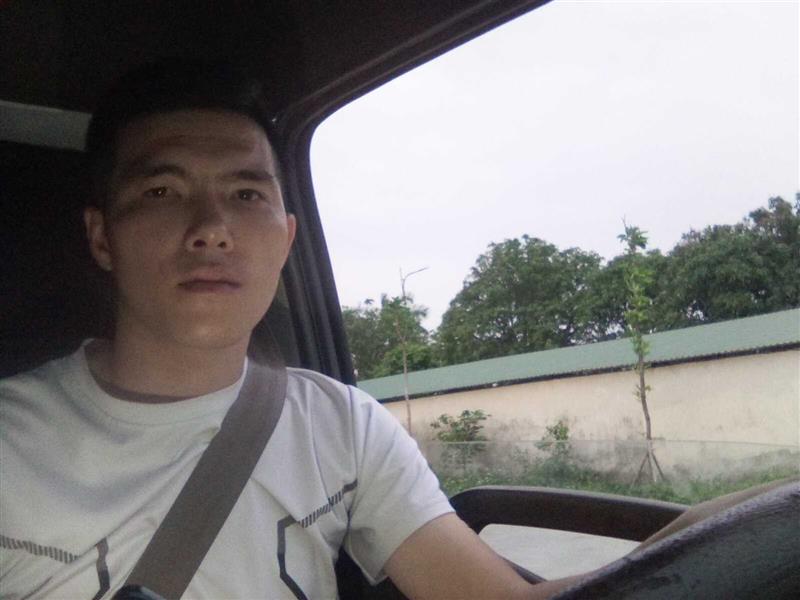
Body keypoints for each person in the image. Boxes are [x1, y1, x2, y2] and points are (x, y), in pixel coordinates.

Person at [0, 59, 787, 600]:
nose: (211, 228)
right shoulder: (11, 438)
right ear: (102, 237)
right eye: (163, 191)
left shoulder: (342, 425)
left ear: (286, 238)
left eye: (246, 195)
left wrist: (749, 519)